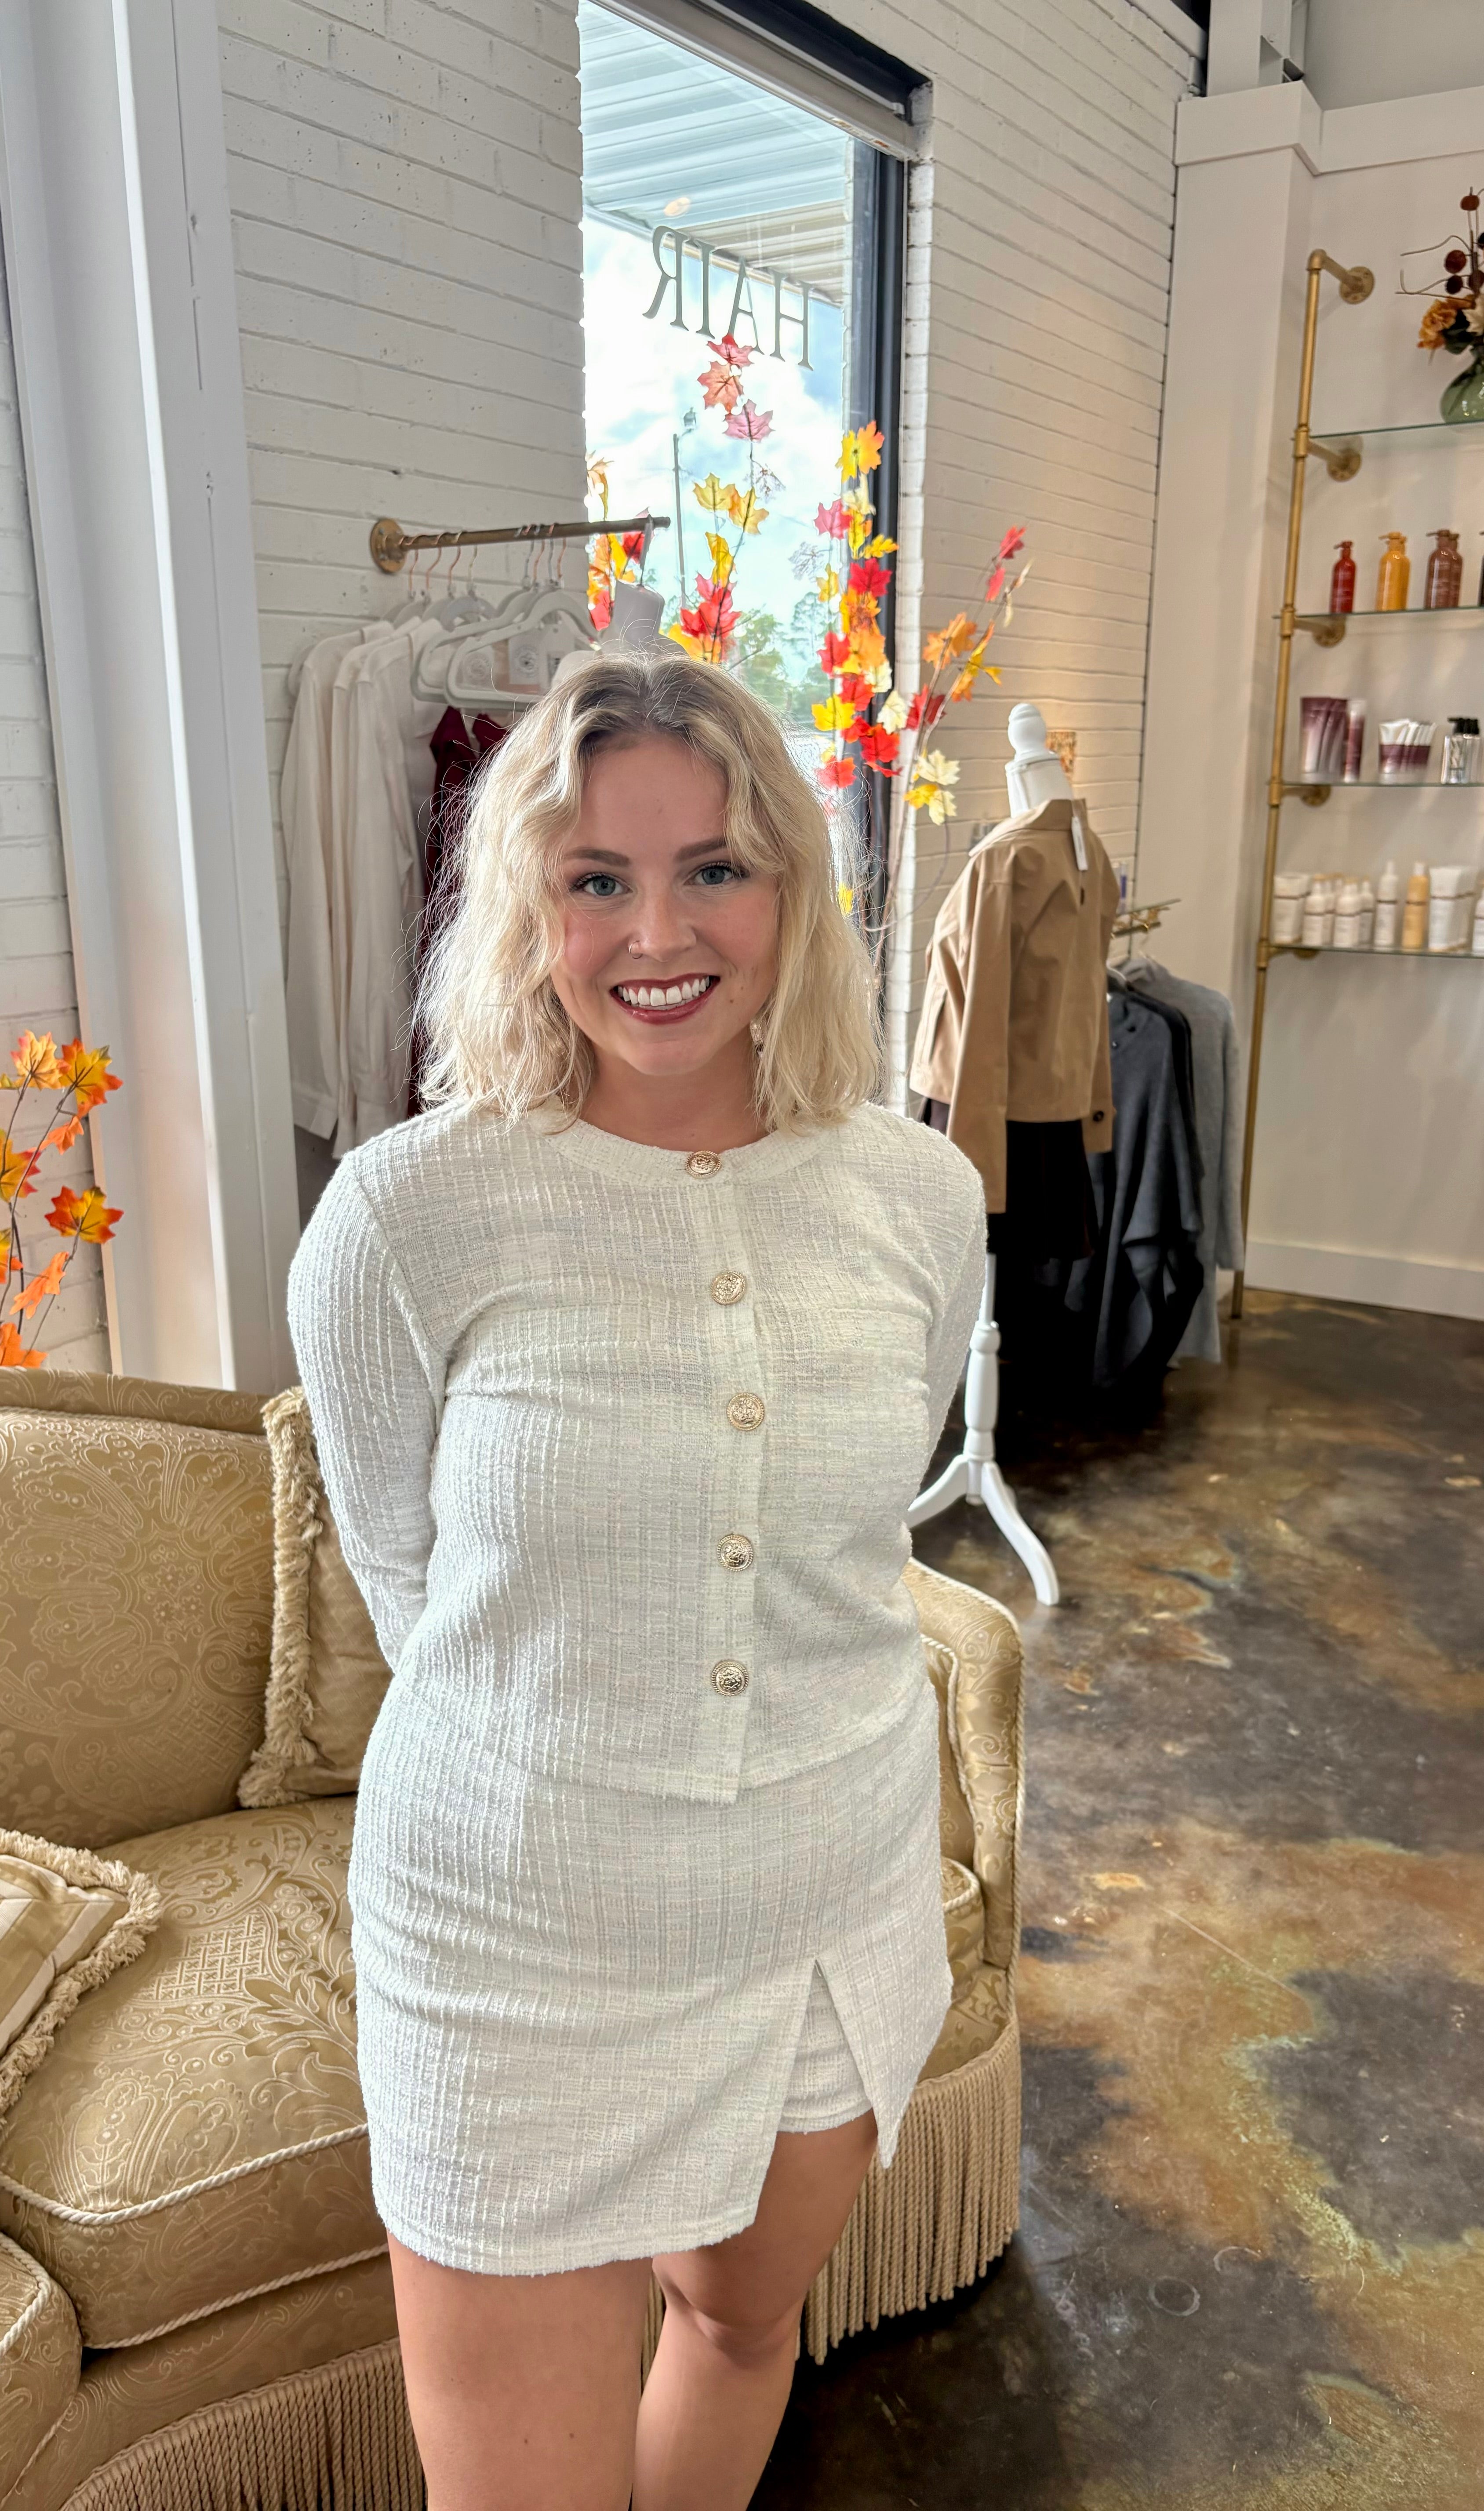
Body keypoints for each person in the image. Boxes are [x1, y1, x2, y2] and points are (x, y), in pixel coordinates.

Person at [287, 648, 985, 2511]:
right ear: (528, 908)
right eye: (596, 878)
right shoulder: (405, 1217)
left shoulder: (919, 1199)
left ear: (795, 893)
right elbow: (406, 1584)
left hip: (826, 1896)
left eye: (714, 870)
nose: (657, 934)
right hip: (522, 1932)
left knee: (743, 2332)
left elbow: (859, 1534)